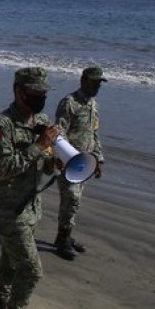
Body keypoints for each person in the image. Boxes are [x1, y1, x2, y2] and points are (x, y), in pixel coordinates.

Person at [0, 67, 59, 309]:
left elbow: (44, 164)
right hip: (8, 210)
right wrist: (39, 147)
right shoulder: (1, 125)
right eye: (35, 94)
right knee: (31, 269)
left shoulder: (40, 122)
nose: (40, 100)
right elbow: (0, 170)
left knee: (11, 265)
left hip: (30, 208)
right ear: (18, 91)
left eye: (43, 95)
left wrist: (55, 161)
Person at [53, 66, 106, 260]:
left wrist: (98, 159)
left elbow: (94, 133)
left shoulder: (93, 105)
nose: (97, 86)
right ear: (83, 80)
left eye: (99, 83)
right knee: (71, 199)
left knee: (75, 201)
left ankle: (66, 235)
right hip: (69, 161)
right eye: (94, 82)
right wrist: (64, 157)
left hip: (86, 163)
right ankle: (62, 240)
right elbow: (59, 132)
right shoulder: (69, 103)